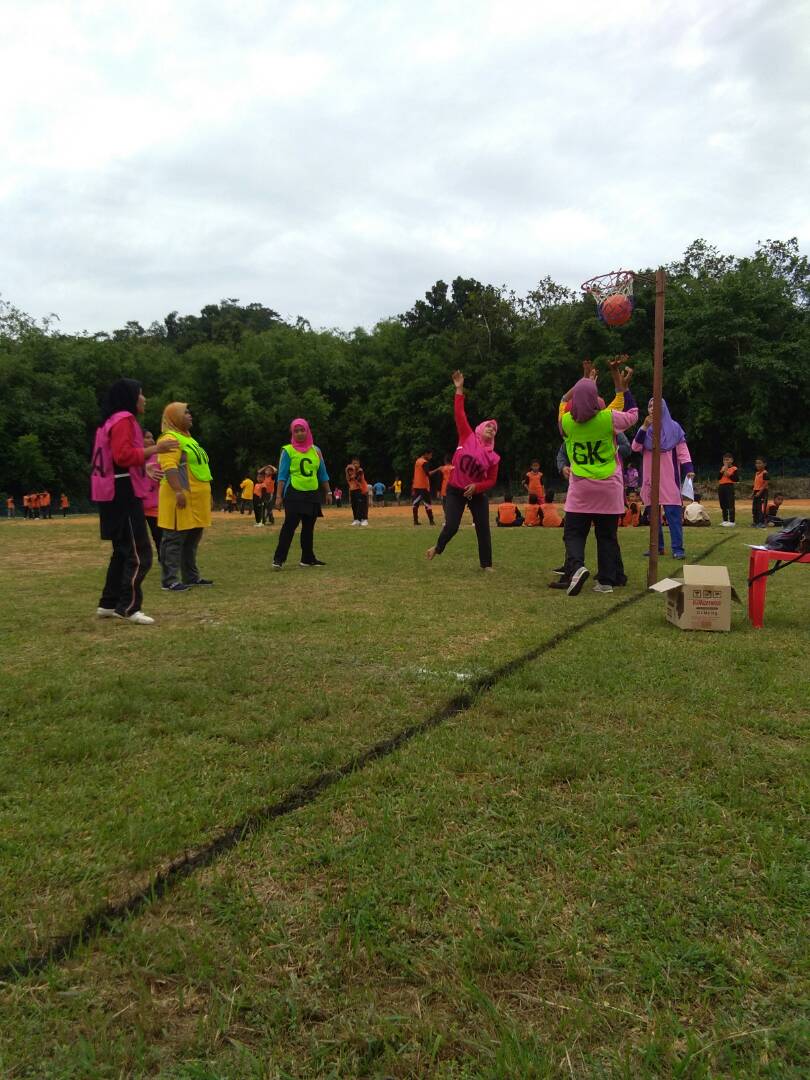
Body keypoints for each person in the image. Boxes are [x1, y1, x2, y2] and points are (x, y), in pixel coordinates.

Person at [92, 378, 176, 624]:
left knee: (121, 551)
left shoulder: (108, 421)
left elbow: (114, 459)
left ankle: (108, 603)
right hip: (123, 492)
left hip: (109, 490)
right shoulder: (124, 419)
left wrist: (143, 468)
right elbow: (123, 456)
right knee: (140, 553)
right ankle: (128, 607)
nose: (144, 398)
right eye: (140, 393)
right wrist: (156, 449)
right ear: (129, 397)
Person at [552, 359, 637, 595]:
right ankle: (606, 582)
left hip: (580, 488)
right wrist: (624, 387)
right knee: (607, 536)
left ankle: (577, 566)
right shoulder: (608, 418)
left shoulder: (566, 423)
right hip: (608, 487)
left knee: (573, 533)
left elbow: (563, 401)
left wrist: (583, 381)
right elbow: (632, 413)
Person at [426, 371, 499, 570]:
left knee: (483, 528)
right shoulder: (467, 436)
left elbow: (492, 480)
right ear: (480, 428)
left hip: (476, 493)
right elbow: (460, 414)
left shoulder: (493, 457)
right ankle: (437, 548)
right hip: (455, 490)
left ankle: (486, 565)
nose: (491, 429)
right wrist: (459, 389)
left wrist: (477, 487)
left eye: (494, 429)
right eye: (488, 426)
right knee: (451, 526)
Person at [157, 401, 214, 592]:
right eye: (185, 413)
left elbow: (199, 468)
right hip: (180, 497)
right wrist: (178, 491)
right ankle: (169, 580)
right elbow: (169, 467)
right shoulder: (170, 438)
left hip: (197, 498)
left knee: (191, 540)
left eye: (189, 412)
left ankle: (191, 577)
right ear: (174, 417)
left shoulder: (189, 439)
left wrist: (207, 494)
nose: (190, 415)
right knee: (173, 539)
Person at [631, 398, 695, 561]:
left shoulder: (674, 428)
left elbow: (683, 452)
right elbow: (635, 447)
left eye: (656, 405)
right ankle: (657, 547)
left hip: (669, 479)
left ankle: (678, 549)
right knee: (653, 516)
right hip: (650, 480)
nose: (652, 408)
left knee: (673, 515)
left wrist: (689, 469)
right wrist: (644, 427)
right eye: (650, 406)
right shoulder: (645, 430)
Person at [273, 418, 332, 568]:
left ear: (308, 431)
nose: (299, 433)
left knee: (308, 528)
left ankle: (307, 558)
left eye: (302, 430)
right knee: (289, 526)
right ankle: (279, 559)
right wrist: (278, 496)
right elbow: (282, 476)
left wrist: (328, 491)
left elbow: (322, 473)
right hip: (294, 493)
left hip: (312, 494)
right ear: (292, 433)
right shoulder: (287, 450)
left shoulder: (316, 451)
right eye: (296, 431)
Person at [142, 430, 163, 554]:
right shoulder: (132, 459)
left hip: (155, 507)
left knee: (160, 538)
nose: (151, 440)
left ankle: (163, 561)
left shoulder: (159, 457)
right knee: (139, 541)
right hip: (137, 507)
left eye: (152, 437)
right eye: (147, 437)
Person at [411, 450, 435, 526]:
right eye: (430, 455)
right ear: (426, 454)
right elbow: (428, 473)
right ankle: (431, 521)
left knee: (415, 504)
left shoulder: (417, 461)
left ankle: (415, 521)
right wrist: (437, 470)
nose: (431, 457)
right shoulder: (424, 462)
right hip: (423, 486)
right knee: (427, 504)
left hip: (416, 485)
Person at [346, 457, 369, 527]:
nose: (354, 465)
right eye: (353, 463)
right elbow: (348, 479)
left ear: (359, 464)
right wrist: (346, 470)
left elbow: (357, 479)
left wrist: (353, 474)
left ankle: (364, 519)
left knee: (361, 506)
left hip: (362, 490)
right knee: (354, 506)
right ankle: (356, 519)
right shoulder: (350, 471)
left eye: (356, 463)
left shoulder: (360, 471)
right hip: (353, 490)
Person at [717, 453, 738, 526]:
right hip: (721, 486)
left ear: (731, 460)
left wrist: (728, 473)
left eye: (727, 460)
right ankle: (725, 520)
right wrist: (721, 471)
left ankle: (732, 521)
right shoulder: (722, 468)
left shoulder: (734, 468)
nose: (725, 462)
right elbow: (718, 478)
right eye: (724, 460)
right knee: (723, 504)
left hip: (729, 486)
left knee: (730, 503)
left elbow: (736, 479)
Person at [751, 457, 769, 528]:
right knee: (755, 507)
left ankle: (761, 522)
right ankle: (755, 522)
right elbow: (755, 484)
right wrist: (753, 492)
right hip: (756, 491)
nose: (757, 465)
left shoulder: (765, 473)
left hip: (763, 492)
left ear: (764, 464)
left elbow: (765, 483)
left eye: (759, 463)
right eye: (756, 463)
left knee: (761, 508)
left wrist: (760, 492)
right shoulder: (757, 473)